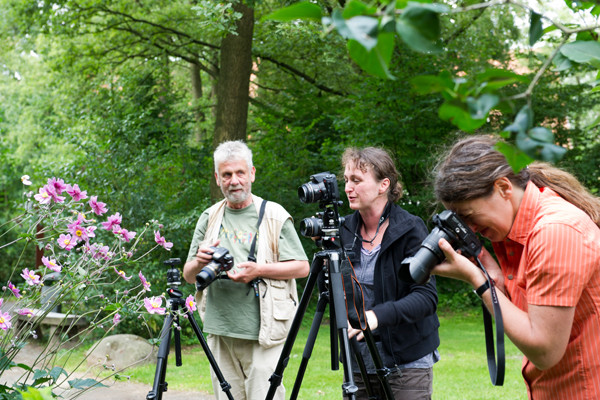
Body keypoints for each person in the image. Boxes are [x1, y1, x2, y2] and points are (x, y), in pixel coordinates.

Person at [432, 135, 600, 399]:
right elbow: (530, 317)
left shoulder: (554, 232)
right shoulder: (512, 232)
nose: (469, 229)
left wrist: (478, 279)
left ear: (503, 188)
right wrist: (493, 274)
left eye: (469, 216)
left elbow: (544, 351)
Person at [183, 140, 309, 400]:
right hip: (220, 329)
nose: (234, 181)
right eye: (227, 175)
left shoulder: (274, 214)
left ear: (252, 173)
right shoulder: (209, 217)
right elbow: (188, 274)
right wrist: (199, 261)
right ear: (217, 178)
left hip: (263, 332)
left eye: (240, 173)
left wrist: (258, 270)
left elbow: (302, 267)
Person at [339, 147, 440, 400]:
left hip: (406, 361)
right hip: (359, 361)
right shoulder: (343, 231)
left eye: (357, 181)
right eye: (346, 180)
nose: (348, 188)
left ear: (383, 185)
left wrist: (376, 316)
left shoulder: (409, 228)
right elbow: (332, 292)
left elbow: (426, 298)